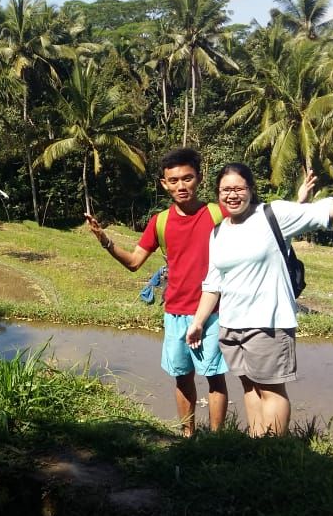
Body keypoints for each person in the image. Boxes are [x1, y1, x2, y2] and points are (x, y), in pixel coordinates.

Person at [85, 149, 312, 436]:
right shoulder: (160, 222)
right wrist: (105, 240)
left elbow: (264, 219)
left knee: (215, 378)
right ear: (164, 184)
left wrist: (299, 202)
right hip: (175, 312)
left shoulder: (218, 213)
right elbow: (133, 262)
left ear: (200, 179)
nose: (181, 186)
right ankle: (187, 436)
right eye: (174, 180)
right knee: (181, 377)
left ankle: (216, 439)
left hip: (216, 312)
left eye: (187, 178)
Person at [186, 163, 333, 437]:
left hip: (267, 322)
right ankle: (255, 447)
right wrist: (198, 321)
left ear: (251, 190)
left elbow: (324, 210)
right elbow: (213, 282)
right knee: (249, 387)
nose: (232, 195)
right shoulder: (218, 232)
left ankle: (274, 453)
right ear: (217, 193)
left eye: (239, 188)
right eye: (225, 189)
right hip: (230, 325)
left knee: (270, 389)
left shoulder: (273, 213)